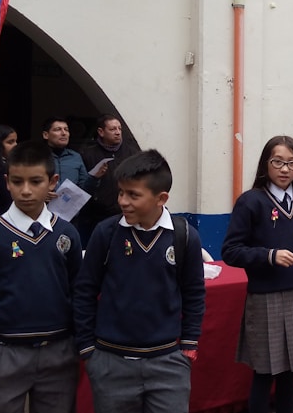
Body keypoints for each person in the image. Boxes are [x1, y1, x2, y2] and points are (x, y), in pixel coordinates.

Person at [73, 150, 205, 413]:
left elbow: (194, 292)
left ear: (161, 198)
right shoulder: (106, 233)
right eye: (121, 192)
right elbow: (84, 291)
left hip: (167, 362)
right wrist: (88, 349)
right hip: (111, 362)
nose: (123, 201)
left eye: (133, 195)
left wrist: (189, 344)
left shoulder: (184, 236)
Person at [0, 141, 83, 413]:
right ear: (7, 182)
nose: (26, 190)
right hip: (5, 352)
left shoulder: (67, 234)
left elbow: (79, 292)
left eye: (36, 181)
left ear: (52, 182)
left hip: (59, 352)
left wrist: (78, 344)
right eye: (17, 181)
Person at [221, 136, 293, 413]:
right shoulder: (251, 201)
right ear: (265, 164)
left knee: (291, 371)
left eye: (292, 163)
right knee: (265, 372)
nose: (285, 169)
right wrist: (269, 255)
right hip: (265, 296)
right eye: (278, 162)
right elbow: (231, 251)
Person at [79, 114, 140, 245]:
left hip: (125, 213)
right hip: (97, 216)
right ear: (101, 132)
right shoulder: (87, 154)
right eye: (113, 129)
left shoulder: (132, 152)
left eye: (119, 129)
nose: (118, 133)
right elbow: (82, 186)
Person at [41, 117, 101, 199]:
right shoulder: (37, 157)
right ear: (46, 135)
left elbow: (84, 187)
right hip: (43, 208)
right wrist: (41, 194)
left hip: (69, 208)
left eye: (66, 130)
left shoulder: (75, 157)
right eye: (58, 129)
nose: (64, 133)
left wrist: (94, 177)